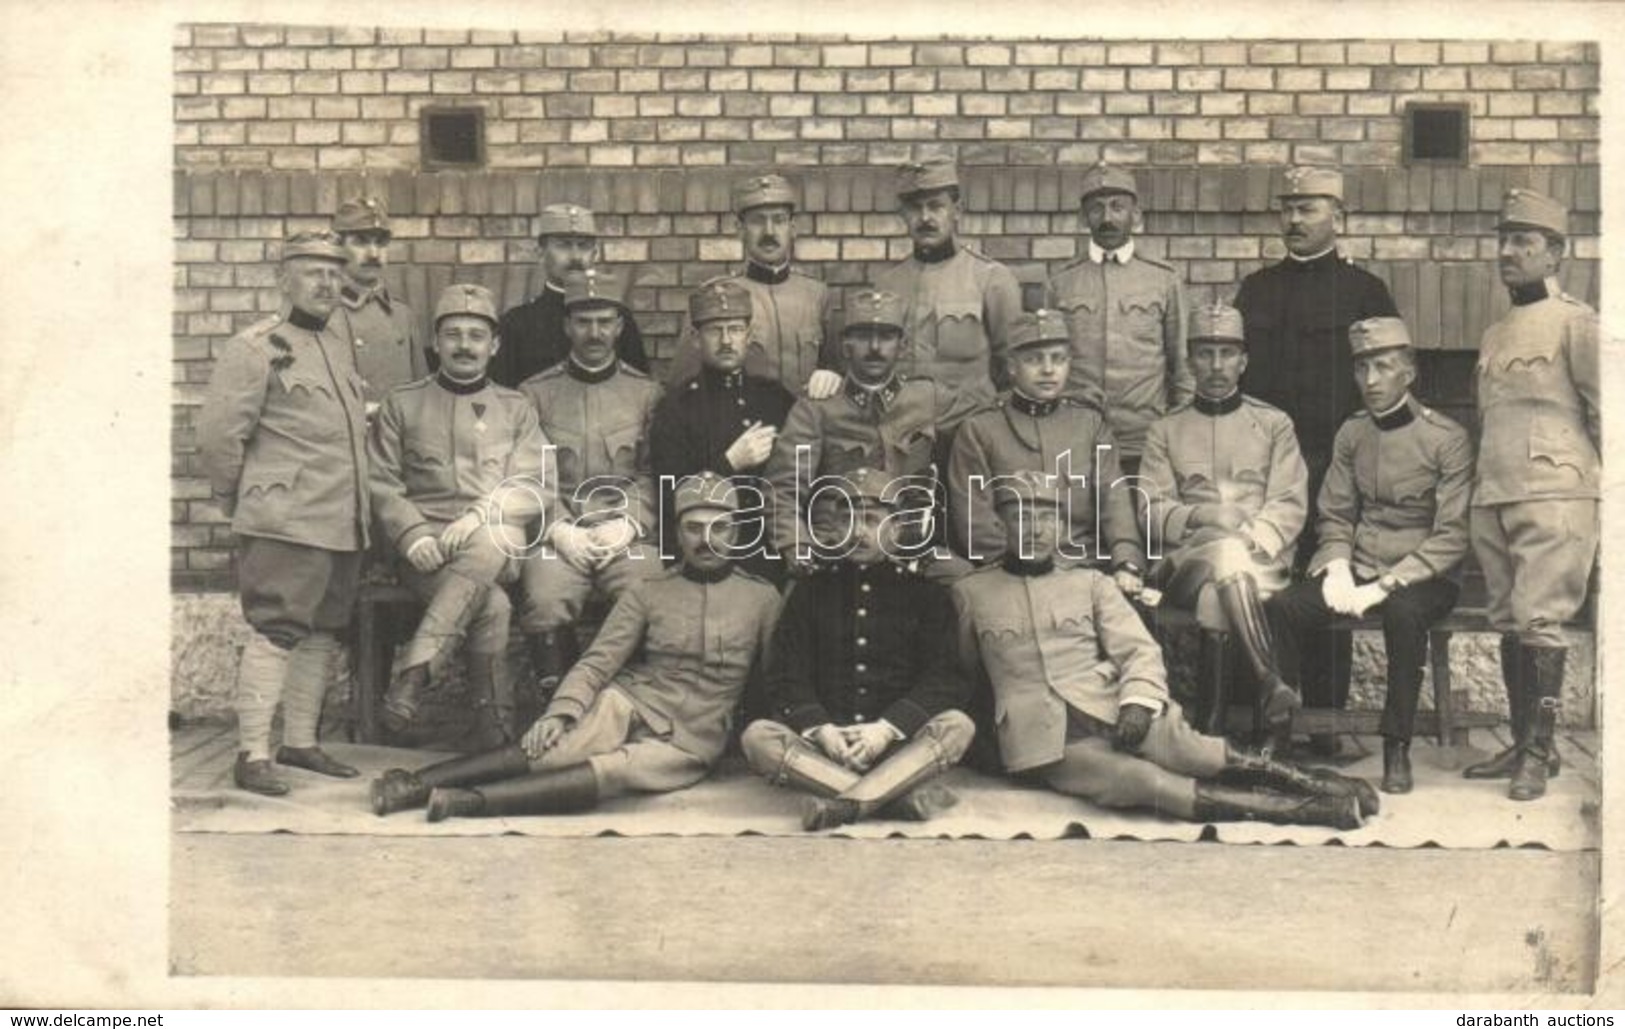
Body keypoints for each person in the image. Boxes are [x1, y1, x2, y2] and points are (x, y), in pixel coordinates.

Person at [952, 472, 1376, 829]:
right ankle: (1313, 811)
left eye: (1047, 517)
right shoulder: (972, 593)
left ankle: (1317, 784)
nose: (1035, 529)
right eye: (1021, 517)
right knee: (1145, 783)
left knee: (1197, 752)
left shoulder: (1090, 584)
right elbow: (963, 676)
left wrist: (1137, 700)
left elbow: (1139, 651)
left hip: (1113, 705)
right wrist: (988, 741)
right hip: (1049, 742)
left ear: (1062, 527)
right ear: (1002, 523)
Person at [370, 473, 782, 821]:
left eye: (720, 528)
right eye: (694, 528)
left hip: (692, 736)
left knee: (615, 772)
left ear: (736, 531)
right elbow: (597, 662)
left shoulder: (762, 599)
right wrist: (560, 713)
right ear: (676, 531)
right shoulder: (650, 591)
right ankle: (415, 784)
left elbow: (779, 677)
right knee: (553, 749)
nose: (706, 540)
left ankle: (467, 804)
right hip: (631, 702)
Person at [1233, 165, 1400, 755]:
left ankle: (1326, 724)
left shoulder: (1366, 293)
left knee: (1328, 581)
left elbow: (1386, 385)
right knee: (1259, 582)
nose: (1294, 219)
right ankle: (1260, 722)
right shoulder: (1255, 290)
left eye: (1308, 208)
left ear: (1339, 218)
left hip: (1336, 461)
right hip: (1265, 468)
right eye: (1288, 207)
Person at [1266, 317, 1472, 793]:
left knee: (1402, 614)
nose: (1371, 380)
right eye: (1362, 368)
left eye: (1383, 366)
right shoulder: (1353, 433)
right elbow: (1335, 512)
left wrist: (1386, 583)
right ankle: (1278, 735)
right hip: (1358, 567)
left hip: (1425, 576)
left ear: (1409, 371)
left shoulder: (1447, 438)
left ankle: (1395, 746)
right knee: (1284, 607)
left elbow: (1451, 534)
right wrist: (1337, 565)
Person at [198, 230, 371, 795]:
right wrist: (241, 501)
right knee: (277, 628)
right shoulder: (256, 348)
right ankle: (251, 753)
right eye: (312, 271)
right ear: (282, 279)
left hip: (339, 519)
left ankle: (300, 742)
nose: (327, 282)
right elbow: (220, 437)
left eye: (333, 272)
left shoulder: (338, 347)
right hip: (286, 521)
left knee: (322, 630)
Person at [366, 284, 556, 749]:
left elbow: (537, 485)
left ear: (494, 346)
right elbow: (379, 481)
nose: (465, 345)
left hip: (493, 539)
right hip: (425, 552)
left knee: (494, 539)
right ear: (436, 343)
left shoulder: (516, 408)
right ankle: (494, 730)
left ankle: (416, 671)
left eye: (476, 335)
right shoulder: (402, 403)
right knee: (493, 606)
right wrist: (411, 536)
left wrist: (479, 516)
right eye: (454, 334)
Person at [741, 468, 975, 831]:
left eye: (871, 519)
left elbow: (943, 679)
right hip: (826, 748)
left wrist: (886, 729)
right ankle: (895, 799)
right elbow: (786, 675)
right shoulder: (810, 591)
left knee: (957, 726)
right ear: (835, 530)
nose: (859, 531)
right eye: (849, 519)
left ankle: (846, 803)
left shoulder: (925, 595)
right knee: (758, 737)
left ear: (896, 530)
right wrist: (821, 729)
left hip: (896, 747)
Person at [1463, 188, 1600, 802]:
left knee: (1541, 622)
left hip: (1554, 493)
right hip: (1496, 493)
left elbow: (1608, 415)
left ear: (1556, 255)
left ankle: (1540, 756)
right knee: (1508, 621)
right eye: (1504, 240)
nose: (1509, 252)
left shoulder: (1578, 323)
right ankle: (1522, 742)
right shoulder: (1495, 333)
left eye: (1525, 242)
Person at [1137, 303, 1308, 736]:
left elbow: (1289, 502)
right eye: (1205, 353)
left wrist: (1249, 542)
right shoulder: (1165, 429)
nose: (1217, 365)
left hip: (1257, 564)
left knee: (1218, 593)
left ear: (1244, 361)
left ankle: (1210, 731)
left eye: (1228, 353)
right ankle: (1269, 680)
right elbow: (1150, 510)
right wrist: (1206, 516)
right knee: (1221, 562)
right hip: (1183, 568)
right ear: (1190, 360)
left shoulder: (1273, 425)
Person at [763, 288, 982, 579]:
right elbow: (782, 489)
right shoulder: (816, 410)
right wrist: (797, 545)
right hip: (838, 549)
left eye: (887, 337)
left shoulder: (929, 398)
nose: (875, 347)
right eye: (864, 336)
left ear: (902, 345)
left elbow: (994, 415)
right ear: (845, 346)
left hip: (911, 548)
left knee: (968, 585)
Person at [516, 267, 664, 693]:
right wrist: (559, 528)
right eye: (583, 321)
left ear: (619, 326)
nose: (594, 332)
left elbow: (655, 471)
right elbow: (528, 473)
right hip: (559, 537)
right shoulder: (535, 394)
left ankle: (630, 703)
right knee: (544, 599)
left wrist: (631, 523)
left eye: (604, 321)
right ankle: (558, 706)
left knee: (647, 592)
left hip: (627, 537)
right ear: (567, 326)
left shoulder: (647, 393)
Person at [946, 307, 1145, 581]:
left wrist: (1126, 564)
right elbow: (975, 522)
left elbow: (1115, 503)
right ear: (1012, 366)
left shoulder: (1090, 425)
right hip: (1009, 573)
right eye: (1034, 360)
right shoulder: (980, 430)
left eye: (1058, 359)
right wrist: (1015, 567)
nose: (1048, 370)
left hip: (1084, 568)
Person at [1045, 162, 1191, 473]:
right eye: (1096, 209)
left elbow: (1183, 365)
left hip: (1144, 440)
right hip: (1077, 436)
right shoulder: (1061, 281)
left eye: (1117, 207)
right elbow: (1048, 358)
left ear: (1135, 215)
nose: (1107, 218)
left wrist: (1178, 432)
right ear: (1084, 217)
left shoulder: (1163, 279)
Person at [650, 279, 795, 581]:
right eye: (715, 331)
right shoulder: (676, 407)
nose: (727, 341)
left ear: (749, 335)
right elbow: (670, 493)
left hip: (768, 545)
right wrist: (730, 463)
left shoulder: (775, 399)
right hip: (704, 551)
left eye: (736, 329)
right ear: (695, 338)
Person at [664, 173, 843, 399]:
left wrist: (831, 375)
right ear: (740, 229)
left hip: (806, 428)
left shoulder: (816, 296)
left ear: (793, 228)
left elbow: (838, 372)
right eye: (758, 221)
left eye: (778, 220)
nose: (769, 232)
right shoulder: (715, 296)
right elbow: (682, 385)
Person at [875, 157, 1023, 405]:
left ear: (957, 211)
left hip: (970, 429)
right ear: (902, 214)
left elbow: (1013, 367)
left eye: (936, 206)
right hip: (904, 430)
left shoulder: (991, 279)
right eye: (914, 208)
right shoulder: (887, 285)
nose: (925, 217)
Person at [491, 203, 649, 386]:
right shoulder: (516, 324)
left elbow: (638, 391)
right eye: (563, 245)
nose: (575, 256)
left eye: (583, 246)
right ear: (541, 253)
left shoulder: (619, 318)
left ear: (595, 254)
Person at [328, 196, 428, 408]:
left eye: (381, 242)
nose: (374, 253)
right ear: (337, 246)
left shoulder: (402, 316)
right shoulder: (322, 313)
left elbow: (421, 398)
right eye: (361, 241)